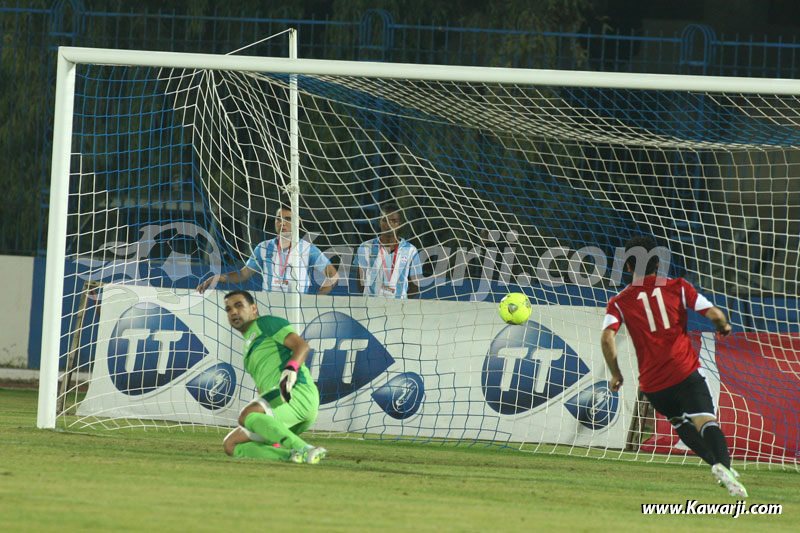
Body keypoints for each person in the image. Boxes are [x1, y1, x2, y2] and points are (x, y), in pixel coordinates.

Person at [600, 235, 747, 497]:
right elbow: (713, 312)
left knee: (680, 423)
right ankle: (724, 466)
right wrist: (723, 326)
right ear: (658, 263)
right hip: (684, 371)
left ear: (628, 267)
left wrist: (616, 373)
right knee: (705, 420)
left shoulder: (619, 301)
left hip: (654, 385)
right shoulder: (678, 286)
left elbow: (607, 336)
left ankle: (716, 465)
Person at [221, 290, 326, 464]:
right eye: (228, 309)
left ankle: (307, 450)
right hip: (282, 406)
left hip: (296, 393)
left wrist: (291, 369)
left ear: (253, 308)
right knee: (230, 445)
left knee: (246, 416)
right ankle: (291, 456)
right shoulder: (248, 349)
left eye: (239, 305)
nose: (233, 312)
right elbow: (262, 389)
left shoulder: (265, 323)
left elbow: (302, 346)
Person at [197, 205, 339, 294]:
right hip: (269, 306)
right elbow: (243, 274)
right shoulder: (263, 247)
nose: (282, 223)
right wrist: (217, 278)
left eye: (288, 219)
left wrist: (316, 300)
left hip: (297, 309)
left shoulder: (308, 249)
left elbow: (333, 276)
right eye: (279, 219)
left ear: (298, 222)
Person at [356, 201, 422, 298]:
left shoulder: (411, 250)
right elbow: (360, 282)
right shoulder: (365, 247)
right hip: (371, 306)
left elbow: (415, 286)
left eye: (394, 221)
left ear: (400, 224)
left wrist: (401, 303)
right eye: (385, 220)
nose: (389, 225)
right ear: (379, 222)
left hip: (399, 309)